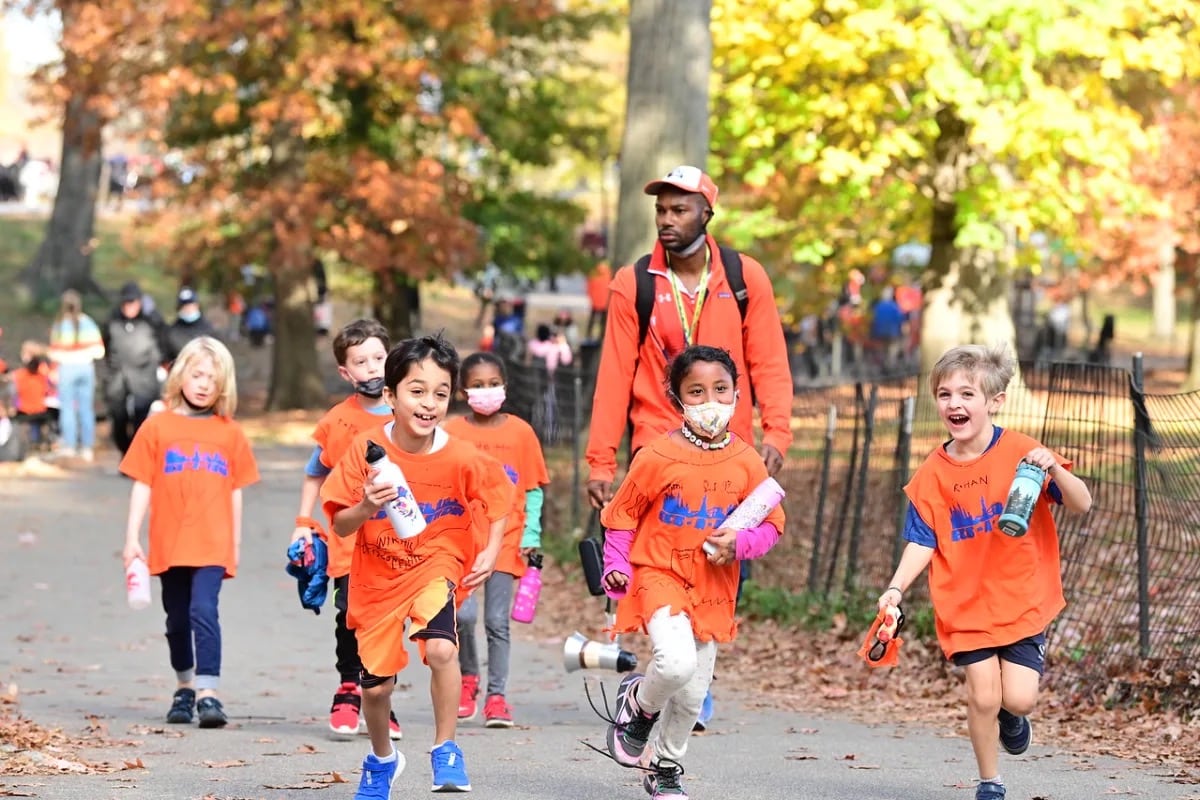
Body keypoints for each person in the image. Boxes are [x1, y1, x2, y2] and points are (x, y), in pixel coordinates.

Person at [586, 165, 795, 731]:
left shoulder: (744, 277)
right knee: (654, 558)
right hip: (657, 448)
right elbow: (613, 374)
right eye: (661, 211)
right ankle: (666, 672)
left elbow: (768, 361)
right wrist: (601, 458)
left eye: (680, 210)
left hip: (732, 453)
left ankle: (689, 680)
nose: (667, 221)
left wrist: (776, 432)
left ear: (707, 212)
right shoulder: (636, 283)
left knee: (721, 560)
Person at [876, 344, 1092, 800]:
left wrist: (1054, 466)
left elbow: (1081, 503)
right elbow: (922, 539)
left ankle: (1014, 719)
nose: (955, 403)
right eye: (945, 394)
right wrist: (896, 589)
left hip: (1021, 596)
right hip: (964, 603)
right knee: (983, 696)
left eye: (967, 393)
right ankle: (990, 781)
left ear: (994, 401)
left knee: (1017, 699)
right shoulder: (931, 474)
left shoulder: (1023, 452)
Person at [320, 334, 513, 797]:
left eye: (441, 393)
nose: (429, 404)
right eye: (417, 391)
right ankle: (382, 758)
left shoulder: (461, 454)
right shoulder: (365, 451)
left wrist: (490, 550)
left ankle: (446, 749)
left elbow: (499, 498)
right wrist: (367, 505)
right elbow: (341, 525)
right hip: (377, 578)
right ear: (390, 396)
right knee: (375, 690)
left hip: (435, 562)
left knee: (443, 650)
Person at [596, 345, 785, 799]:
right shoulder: (656, 456)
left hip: (714, 587)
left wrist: (740, 543)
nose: (711, 402)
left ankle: (664, 766)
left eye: (721, 390)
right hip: (659, 573)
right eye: (696, 392)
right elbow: (621, 516)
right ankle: (638, 709)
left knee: (692, 696)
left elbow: (772, 525)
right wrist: (616, 566)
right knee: (675, 662)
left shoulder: (746, 461)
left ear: (739, 394)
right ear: (677, 400)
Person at [119, 337, 260, 729]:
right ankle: (184, 686)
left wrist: (234, 543)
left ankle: (208, 693)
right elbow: (142, 483)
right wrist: (132, 538)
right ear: (180, 374)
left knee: (204, 611)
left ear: (223, 387)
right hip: (169, 541)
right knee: (177, 620)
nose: (202, 385)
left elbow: (235, 491)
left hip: (213, 543)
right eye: (196, 375)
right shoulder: (157, 426)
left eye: (212, 380)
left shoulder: (230, 433)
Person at [288, 319, 402, 739]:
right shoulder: (336, 422)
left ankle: (380, 696)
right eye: (361, 361)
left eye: (378, 358)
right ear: (345, 372)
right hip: (348, 540)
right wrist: (303, 524)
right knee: (350, 616)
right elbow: (314, 473)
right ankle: (349, 688)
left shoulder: (406, 411)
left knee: (387, 620)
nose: (372, 367)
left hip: (396, 539)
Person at [443, 352, 550, 728]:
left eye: (492, 384)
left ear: (505, 385)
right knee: (464, 614)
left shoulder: (520, 432)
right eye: (476, 385)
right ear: (462, 390)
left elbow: (533, 488)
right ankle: (468, 677)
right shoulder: (452, 432)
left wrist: (532, 532)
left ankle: (497, 697)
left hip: (506, 538)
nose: (485, 391)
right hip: (462, 540)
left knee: (496, 621)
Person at [102, 281, 171, 454]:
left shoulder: (151, 323)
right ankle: (126, 452)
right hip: (119, 377)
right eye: (126, 302)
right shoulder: (113, 322)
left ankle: (136, 455)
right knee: (119, 418)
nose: (129, 306)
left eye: (133, 302)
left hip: (144, 377)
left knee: (141, 418)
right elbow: (107, 346)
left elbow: (162, 347)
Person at [47, 290, 105, 461]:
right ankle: (87, 447)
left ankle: (70, 445)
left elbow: (54, 352)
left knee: (67, 408)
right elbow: (99, 351)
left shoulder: (60, 325)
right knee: (86, 408)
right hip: (86, 368)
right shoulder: (88, 322)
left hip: (67, 368)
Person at [11, 340, 57, 449]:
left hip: (25, 410)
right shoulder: (44, 374)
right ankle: (47, 439)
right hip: (40, 409)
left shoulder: (18, 375)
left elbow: (14, 394)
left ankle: (36, 441)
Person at [167, 287, 220, 359]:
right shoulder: (172, 331)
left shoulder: (208, 329)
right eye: (184, 306)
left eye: (190, 305)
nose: (188, 309)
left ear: (197, 305)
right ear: (179, 308)